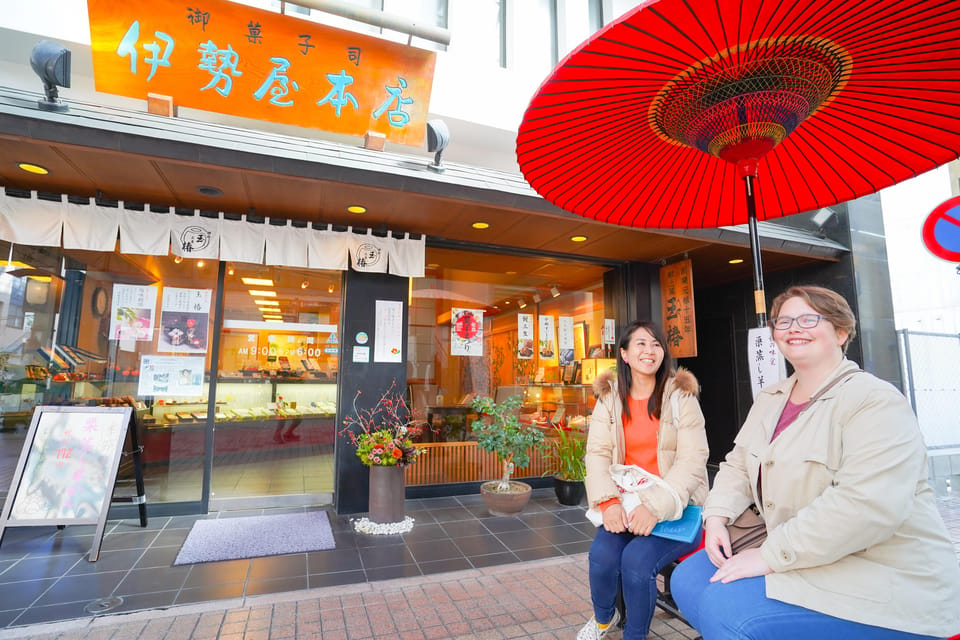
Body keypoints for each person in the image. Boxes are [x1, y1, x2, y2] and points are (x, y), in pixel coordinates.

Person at [671, 285, 960, 639]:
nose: (794, 327)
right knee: (687, 580)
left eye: (808, 318)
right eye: (784, 321)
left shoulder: (874, 400)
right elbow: (738, 464)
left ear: (841, 332)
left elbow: (867, 506)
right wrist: (716, 517)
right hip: (804, 549)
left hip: (876, 568)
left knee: (727, 610)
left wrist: (769, 556)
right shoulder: (770, 398)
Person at [578, 321, 709, 640]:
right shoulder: (609, 398)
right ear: (623, 354)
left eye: (656, 345)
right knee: (603, 558)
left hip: (676, 506)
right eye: (640, 344)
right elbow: (596, 453)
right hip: (625, 503)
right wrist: (608, 503)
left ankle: (634, 635)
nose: (649, 351)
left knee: (636, 563)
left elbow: (693, 459)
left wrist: (655, 507)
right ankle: (603, 619)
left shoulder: (681, 397)